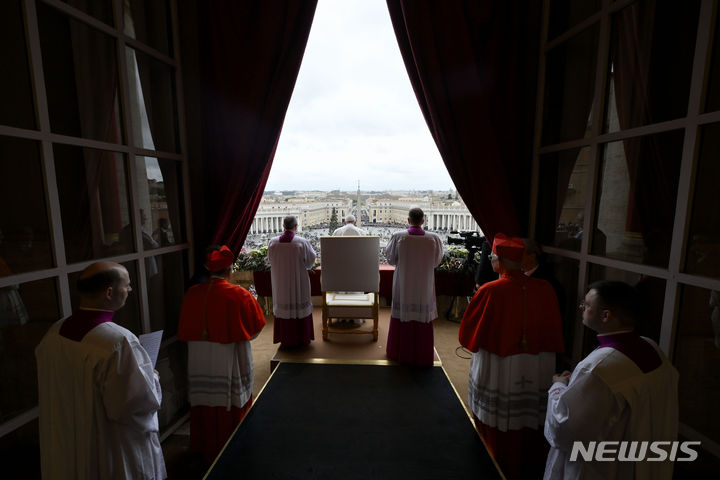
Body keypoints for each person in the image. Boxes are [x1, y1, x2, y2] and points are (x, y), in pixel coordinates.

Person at [35, 261, 165, 479]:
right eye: (127, 285)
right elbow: (134, 405)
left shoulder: (55, 331)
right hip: (106, 446)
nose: (130, 290)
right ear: (109, 292)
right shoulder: (118, 341)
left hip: (66, 433)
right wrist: (152, 378)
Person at [544, 281, 679, 480]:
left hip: (603, 467)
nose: (582, 307)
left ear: (606, 316)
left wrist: (558, 385)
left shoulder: (599, 367)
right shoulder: (651, 347)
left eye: (587, 304)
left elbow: (566, 430)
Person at [459, 233, 564, 479]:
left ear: (501, 262)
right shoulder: (545, 288)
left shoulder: (491, 290)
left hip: (500, 361)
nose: (491, 258)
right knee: (528, 413)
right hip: (536, 360)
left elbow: (468, 332)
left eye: (494, 255)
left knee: (498, 415)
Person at [177, 245, 266, 464]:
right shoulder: (239, 295)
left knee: (205, 396)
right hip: (231, 357)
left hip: (198, 356)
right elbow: (255, 330)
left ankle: (203, 445)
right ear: (229, 270)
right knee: (231, 396)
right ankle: (233, 446)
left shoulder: (192, 293)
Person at [384, 207, 444, 366]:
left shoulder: (398, 237)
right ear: (423, 221)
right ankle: (422, 355)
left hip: (404, 282)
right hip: (424, 283)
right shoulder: (434, 238)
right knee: (421, 313)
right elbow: (436, 262)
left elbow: (391, 260)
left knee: (403, 313)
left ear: (408, 220)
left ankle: (400, 352)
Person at [268, 216, 316, 347]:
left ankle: (286, 339)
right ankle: (302, 338)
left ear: (283, 226)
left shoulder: (273, 242)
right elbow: (311, 261)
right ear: (296, 226)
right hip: (298, 280)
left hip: (281, 282)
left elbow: (271, 260)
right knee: (299, 305)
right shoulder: (302, 242)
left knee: (284, 306)